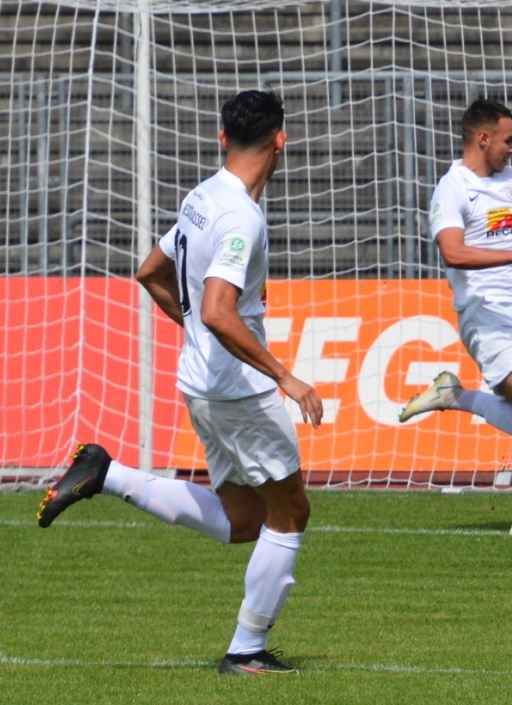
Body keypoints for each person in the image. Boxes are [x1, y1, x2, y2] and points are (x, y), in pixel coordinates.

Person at [37, 89, 324, 673]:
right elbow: (217, 311)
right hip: (239, 391)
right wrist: (286, 376)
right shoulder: (240, 216)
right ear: (281, 140)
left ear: (223, 138)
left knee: (244, 520)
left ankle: (107, 473)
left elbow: (150, 271)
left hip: (200, 383)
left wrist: (195, 328)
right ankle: (246, 650)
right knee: (291, 512)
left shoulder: (203, 196)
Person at [398, 98, 512, 538]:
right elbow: (452, 252)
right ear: (482, 138)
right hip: (484, 316)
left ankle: (455, 396)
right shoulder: (452, 188)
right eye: (508, 141)